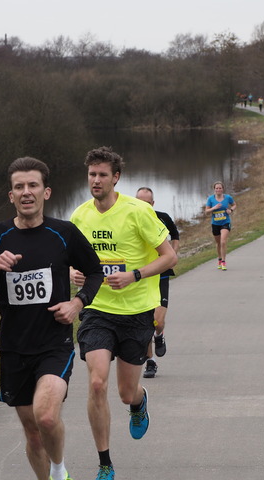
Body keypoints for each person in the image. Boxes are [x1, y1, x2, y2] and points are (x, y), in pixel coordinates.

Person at [0, 157, 104, 480]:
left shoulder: (64, 233)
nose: (26, 192)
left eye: (33, 185)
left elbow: (95, 273)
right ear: (11, 196)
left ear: (46, 192)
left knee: (46, 417)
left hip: (53, 344)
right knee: (32, 433)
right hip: (14, 348)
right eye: (19, 187)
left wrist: (77, 303)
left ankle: (59, 470)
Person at [69, 147, 177, 480]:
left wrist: (135, 275)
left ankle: (138, 403)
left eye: (102, 175)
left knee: (125, 392)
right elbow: (68, 258)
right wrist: (73, 271)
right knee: (97, 382)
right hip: (97, 309)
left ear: (116, 177)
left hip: (136, 312)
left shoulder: (139, 212)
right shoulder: (80, 216)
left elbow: (169, 257)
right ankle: (105, 463)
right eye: (91, 174)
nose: (96, 180)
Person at [135, 187, 180, 379]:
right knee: (146, 322)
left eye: (147, 202)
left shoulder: (161, 218)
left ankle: (159, 335)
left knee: (157, 322)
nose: (143, 206)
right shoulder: (129, 219)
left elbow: (175, 235)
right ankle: (150, 362)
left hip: (160, 275)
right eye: (139, 202)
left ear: (152, 204)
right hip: (141, 277)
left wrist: (172, 254)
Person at [205, 181, 236, 270]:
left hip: (225, 222)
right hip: (215, 224)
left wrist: (231, 210)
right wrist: (213, 208)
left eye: (220, 188)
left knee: (223, 242)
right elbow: (206, 212)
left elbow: (234, 205)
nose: (218, 190)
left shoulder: (228, 198)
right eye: (217, 188)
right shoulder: (211, 199)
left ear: (223, 189)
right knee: (218, 243)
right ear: (214, 189)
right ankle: (219, 258)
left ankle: (223, 261)